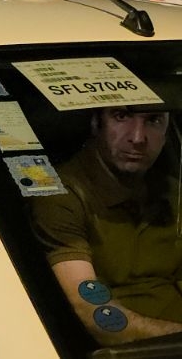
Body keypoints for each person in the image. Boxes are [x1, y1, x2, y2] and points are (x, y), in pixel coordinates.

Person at [31, 107, 182, 345]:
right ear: (95, 123)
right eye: (122, 117)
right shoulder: (62, 196)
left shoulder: (172, 192)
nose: (138, 138)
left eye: (153, 120)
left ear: (166, 131)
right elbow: (95, 313)